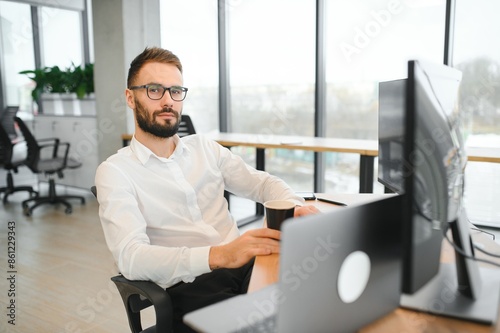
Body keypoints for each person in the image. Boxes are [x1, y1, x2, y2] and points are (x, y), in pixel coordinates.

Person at [95, 46, 319, 332]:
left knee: (314, 306)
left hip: (247, 266)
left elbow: (263, 184)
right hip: (193, 285)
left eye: (175, 91)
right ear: (130, 97)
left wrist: (293, 205)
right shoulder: (115, 172)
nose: (168, 101)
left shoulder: (205, 149)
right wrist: (221, 255)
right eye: (154, 90)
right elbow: (131, 257)